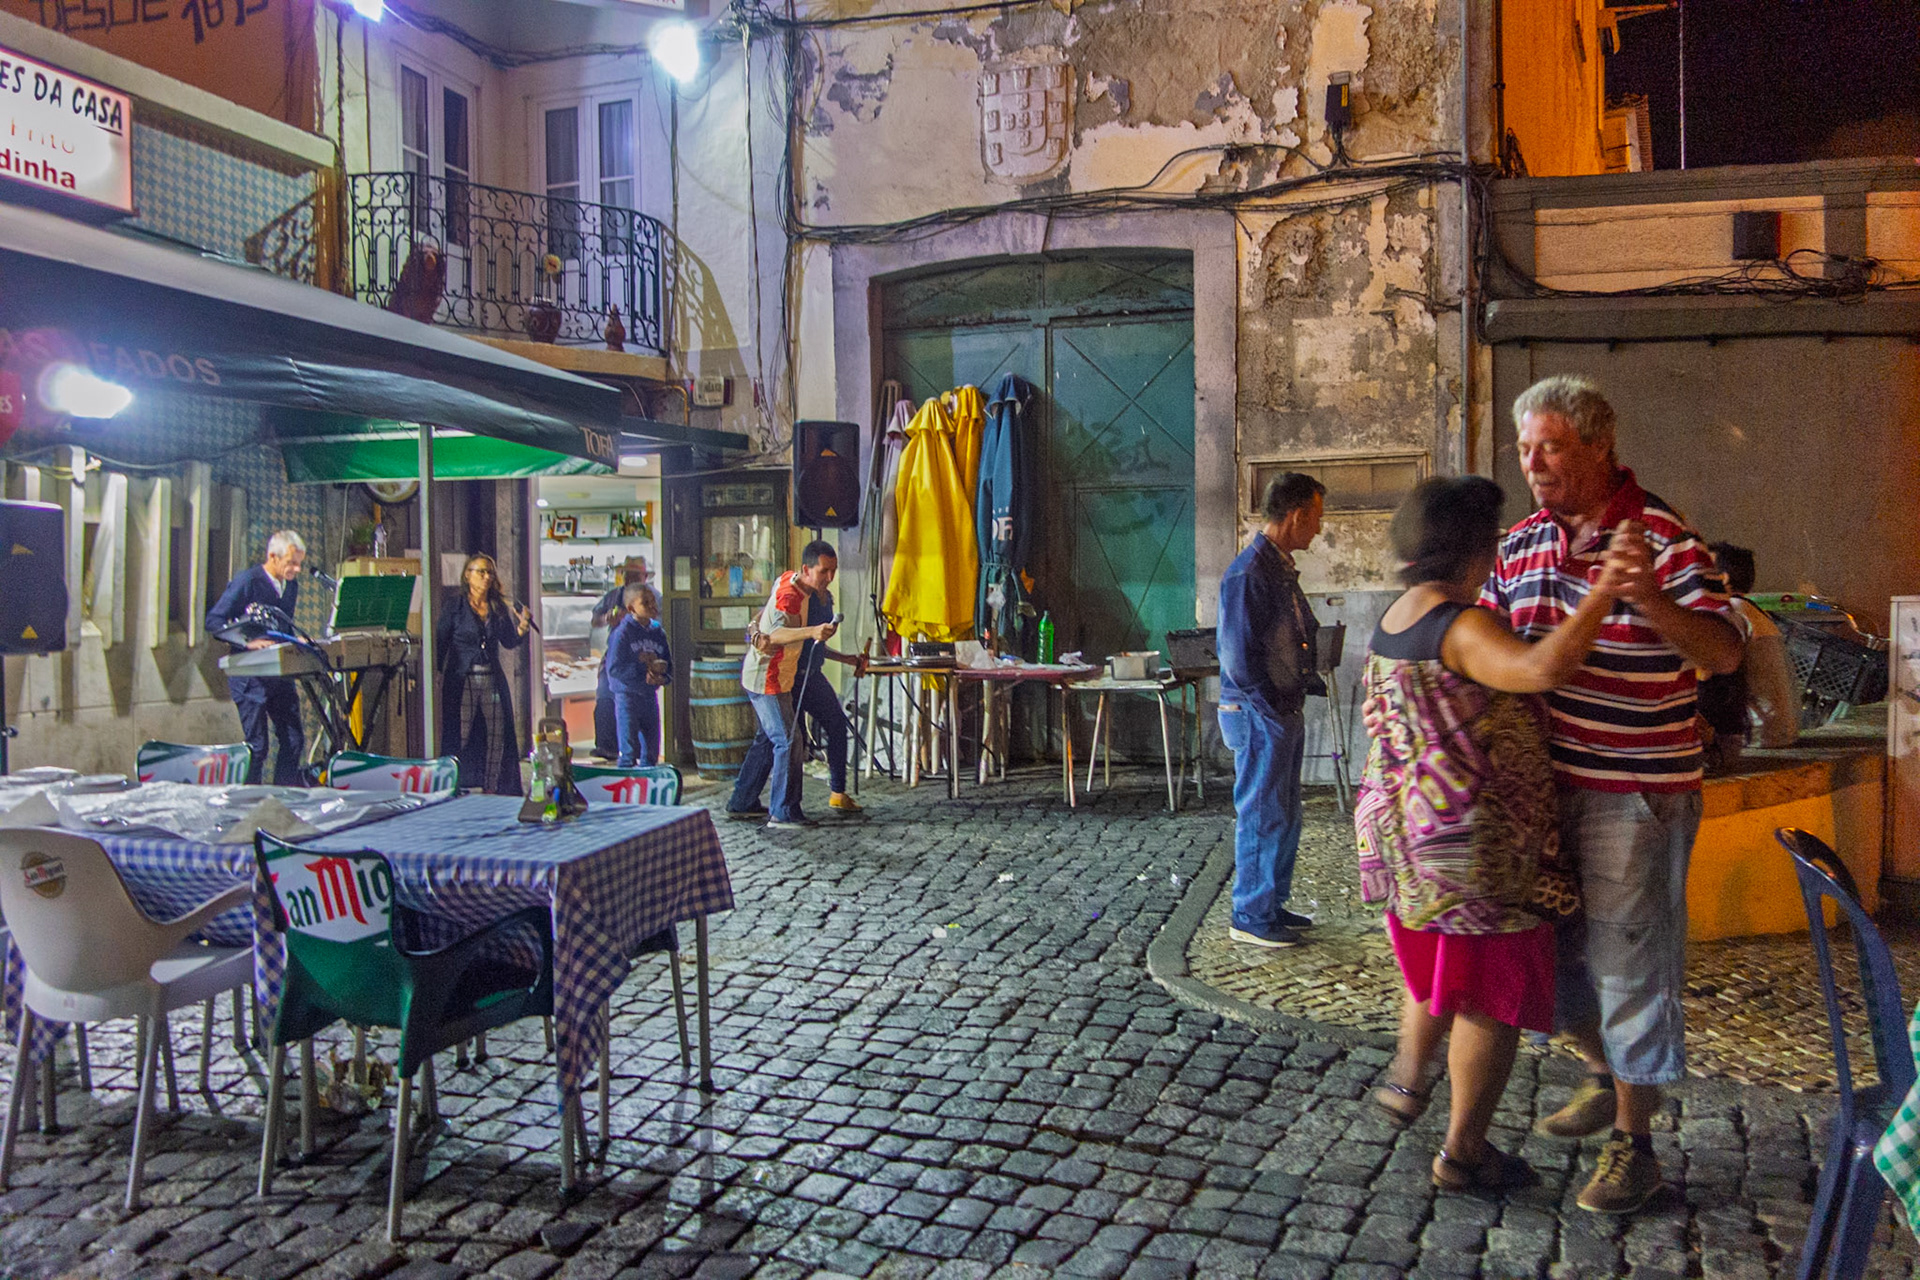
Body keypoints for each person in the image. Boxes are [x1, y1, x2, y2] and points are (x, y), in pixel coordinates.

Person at [1483, 376, 1742, 1214]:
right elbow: (1485, 637)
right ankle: (1604, 1071)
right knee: (1546, 965)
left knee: (1633, 968)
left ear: (1600, 445)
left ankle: (1636, 1148)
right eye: (1527, 449)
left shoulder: (1664, 539)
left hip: (1634, 794)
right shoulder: (1519, 544)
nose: (1534, 464)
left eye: (1551, 446)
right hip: (1540, 801)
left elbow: (1725, 653)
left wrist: (1649, 600)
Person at [1356, 476, 1635, 1193]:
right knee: (1492, 997)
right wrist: (1604, 592)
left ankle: (1408, 1080)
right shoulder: (1463, 625)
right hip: (1473, 847)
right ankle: (1463, 1153)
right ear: (1475, 550)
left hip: (1411, 835)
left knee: (1442, 968)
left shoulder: (1400, 614)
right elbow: (1541, 669)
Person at [1217, 472, 1325, 949]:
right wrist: (1270, 709)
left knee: (1283, 811)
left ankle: (1270, 903)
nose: (1318, 530)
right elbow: (1238, 656)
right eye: (1316, 519)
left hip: (1277, 708)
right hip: (1261, 711)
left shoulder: (1273, 567)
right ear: (1297, 514)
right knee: (1263, 811)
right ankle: (1251, 913)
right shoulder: (1249, 572)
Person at [726, 540, 849, 828]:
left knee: (773, 739)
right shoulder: (790, 593)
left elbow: (763, 619)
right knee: (788, 740)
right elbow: (775, 634)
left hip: (780, 676)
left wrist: (753, 628)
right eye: (823, 572)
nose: (829, 578)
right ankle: (783, 812)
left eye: (833, 571)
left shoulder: (796, 583)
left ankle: (743, 802)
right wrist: (812, 632)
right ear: (806, 569)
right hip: (767, 677)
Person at [206, 530, 309, 786]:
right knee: (258, 747)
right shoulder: (248, 581)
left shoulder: (290, 585)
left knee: (294, 739)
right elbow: (214, 621)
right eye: (291, 563)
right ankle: (250, 804)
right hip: (250, 679)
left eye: (299, 564)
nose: (296, 569)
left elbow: (281, 628)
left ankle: (284, 797)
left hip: (278, 674)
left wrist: (296, 642)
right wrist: (247, 642)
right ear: (273, 557)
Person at [437, 552, 532, 794]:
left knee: (496, 734)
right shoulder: (455, 606)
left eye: (490, 572)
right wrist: (437, 674)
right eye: (481, 572)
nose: (487, 577)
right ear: (468, 576)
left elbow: (509, 641)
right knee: (460, 734)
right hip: (462, 677)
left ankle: (492, 787)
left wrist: (522, 627)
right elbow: (440, 641)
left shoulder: (497, 606)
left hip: (491, 677)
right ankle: (452, 787)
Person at [1707, 542, 1800, 752]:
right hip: (1780, 731)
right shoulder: (1752, 609)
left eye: (1704, 570)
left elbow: (1712, 670)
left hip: (1762, 735)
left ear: (1724, 578)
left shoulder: (1733, 611)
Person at [604, 582, 673, 767]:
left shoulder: (658, 632)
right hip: (627, 697)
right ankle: (626, 789)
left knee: (651, 751)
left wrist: (662, 677)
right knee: (628, 751)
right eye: (645, 603)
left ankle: (647, 787)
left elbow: (669, 666)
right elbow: (614, 669)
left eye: (653, 601)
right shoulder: (622, 634)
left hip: (650, 697)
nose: (653, 606)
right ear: (631, 608)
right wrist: (642, 669)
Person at [591, 557, 652, 759]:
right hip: (615, 653)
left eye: (636, 576)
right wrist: (606, 618)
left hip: (641, 655)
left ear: (644, 578)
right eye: (628, 575)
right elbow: (595, 620)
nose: (631, 579)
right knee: (605, 696)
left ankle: (637, 752)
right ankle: (607, 747)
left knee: (636, 702)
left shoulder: (652, 598)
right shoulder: (613, 596)